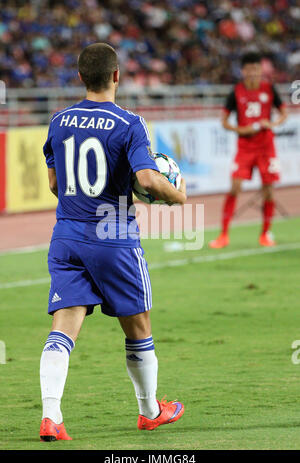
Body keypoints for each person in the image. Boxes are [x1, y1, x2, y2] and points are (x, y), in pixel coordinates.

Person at [39, 42, 186, 441]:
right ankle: (150, 411)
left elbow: (56, 184)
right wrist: (178, 196)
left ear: (81, 77)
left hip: (67, 234)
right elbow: (147, 179)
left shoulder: (58, 121)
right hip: (114, 235)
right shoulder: (130, 123)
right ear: (117, 76)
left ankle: (51, 416)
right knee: (138, 327)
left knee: (63, 327)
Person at [209, 52, 287, 249]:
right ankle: (224, 235)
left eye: (256, 69)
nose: (253, 73)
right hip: (245, 147)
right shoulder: (236, 92)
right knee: (235, 187)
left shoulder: (269, 89)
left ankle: (265, 234)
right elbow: (224, 121)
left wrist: (273, 123)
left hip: (266, 146)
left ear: (261, 70)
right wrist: (240, 129)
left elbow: (284, 112)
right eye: (249, 69)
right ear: (243, 71)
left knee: (268, 191)